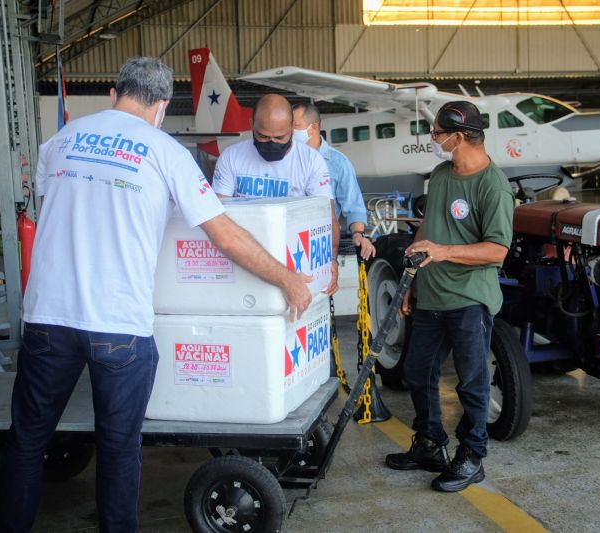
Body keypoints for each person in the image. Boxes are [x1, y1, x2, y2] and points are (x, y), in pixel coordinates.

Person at [0, 58, 312, 532]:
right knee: (119, 447)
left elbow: (58, 205)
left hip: (47, 317)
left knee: (26, 441)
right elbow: (224, 235)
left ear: (113, 93)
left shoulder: (59, 141)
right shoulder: (164, 151)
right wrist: (286, 278)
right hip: (119, 326)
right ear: (163, 105)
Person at [384, 101, 514, 493]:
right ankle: (429, 444)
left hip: (468, 300)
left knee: (472, 382)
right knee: (417, 373)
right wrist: (411, 282)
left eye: (438, 134)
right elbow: (430, 225)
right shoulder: (441, 175)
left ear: (459, 137)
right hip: (431, 297)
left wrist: (443, 251)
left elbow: (497, 250)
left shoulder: (493, 186)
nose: (433, 139)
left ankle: (472, 456)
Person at [213, 93, 339, 295]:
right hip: (244, 258)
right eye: (263, 136)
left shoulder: (311, 162)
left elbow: (326, 217)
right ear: (251, 124)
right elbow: (218, 217)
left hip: (294, 261)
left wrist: (331, 260)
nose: (271, 143)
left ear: (292, 128)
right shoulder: (231, 157)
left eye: (280, 137)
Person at [292, 102, 375, 261]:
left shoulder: (338, 163)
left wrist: (358, 235)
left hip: (320, 244)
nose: (291, 131)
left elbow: (354, 207)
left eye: (296, 126)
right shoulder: (285, 159)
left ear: (313, 127)